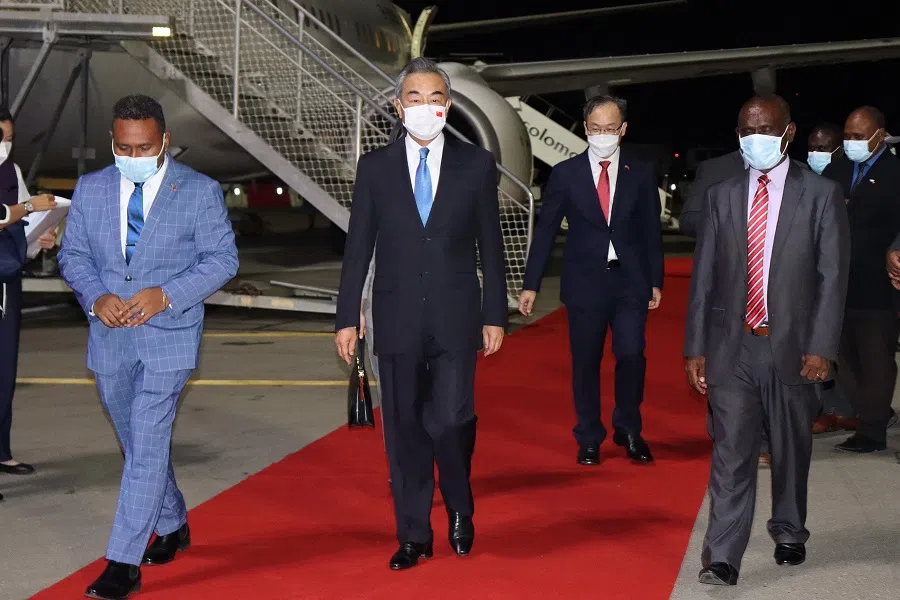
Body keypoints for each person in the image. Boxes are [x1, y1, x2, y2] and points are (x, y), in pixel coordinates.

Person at [57, 94, 238, 599]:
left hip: (171, 337)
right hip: (109, 336)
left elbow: (223, 260)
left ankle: (123, 561)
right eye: (122, 147)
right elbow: (72, 257)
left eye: (143, 147)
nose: (132, 157)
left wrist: (167, 295)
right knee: (137, 443)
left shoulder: (199, 191)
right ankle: (174, 521)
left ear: (164, 142)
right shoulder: (91, 189)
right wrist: (97, 298)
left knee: (148, 438)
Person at [334, 57, 506, 571]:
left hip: (457, 317)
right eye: (415, 98)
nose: (425, 107)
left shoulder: (475, 165)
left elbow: (490, 248)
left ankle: (459, 507)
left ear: (447, 106)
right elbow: (358, 246)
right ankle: (413, 534)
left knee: (453, 421)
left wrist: (494, 314)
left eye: (435, 99)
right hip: (397, 316)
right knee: (404, 429)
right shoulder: (375, 167)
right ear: (398, 106)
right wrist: (347, 317)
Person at [684, 95, 850, 586]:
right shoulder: (722, 194)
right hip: (732, 347)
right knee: (731, 451)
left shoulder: (820, 194)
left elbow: (832, 276)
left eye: (763, 128)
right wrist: (696, 348)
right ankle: (722, 555)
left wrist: (821, 346)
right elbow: (704, 280)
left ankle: (789, 529)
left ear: (788, 132)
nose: (752, 138)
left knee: (791, 446)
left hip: (795, 347)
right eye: (744, 130)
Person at [519, 94, 663, 466]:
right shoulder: (566, 174)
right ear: (585, 128)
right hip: (585, 285)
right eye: (596, 128)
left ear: (623, 130)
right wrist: (531, 284)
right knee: (585, 362)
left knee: (631, 354)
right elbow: (546, 231)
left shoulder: (641, 171)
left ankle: (629, 429)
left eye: (610, 129)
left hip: (630, 281)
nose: (603, 135)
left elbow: (651, 231)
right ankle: (588, 436)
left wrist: (656, 280)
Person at [822, 106, 900, 453]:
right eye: (848, 137)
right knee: (844, 359)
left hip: (879, 285)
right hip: (837, 284)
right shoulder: (836, 170)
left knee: (876, 357)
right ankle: (871, 414)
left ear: (879, 136)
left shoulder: (895, 171)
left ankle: (871, 429)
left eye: (858, 137)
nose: (851, 143)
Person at [0, 104, 58, 479]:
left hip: (6, 279)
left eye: (10, 138)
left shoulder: (12, 170)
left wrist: (41, 237)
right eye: (2, 138)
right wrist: (26, 207)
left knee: (5, 369)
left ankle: (1, 450)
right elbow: (15, 212)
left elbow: (23, 225)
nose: (7, 145)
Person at [805, 123, 858, 434]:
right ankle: (829, 408)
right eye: (813, 146)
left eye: (823, 148)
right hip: (813, 279)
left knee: (838, 349)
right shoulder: (808, 178)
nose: (816, 153)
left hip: (844, 278)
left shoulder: (846, 180)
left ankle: (845, 409)